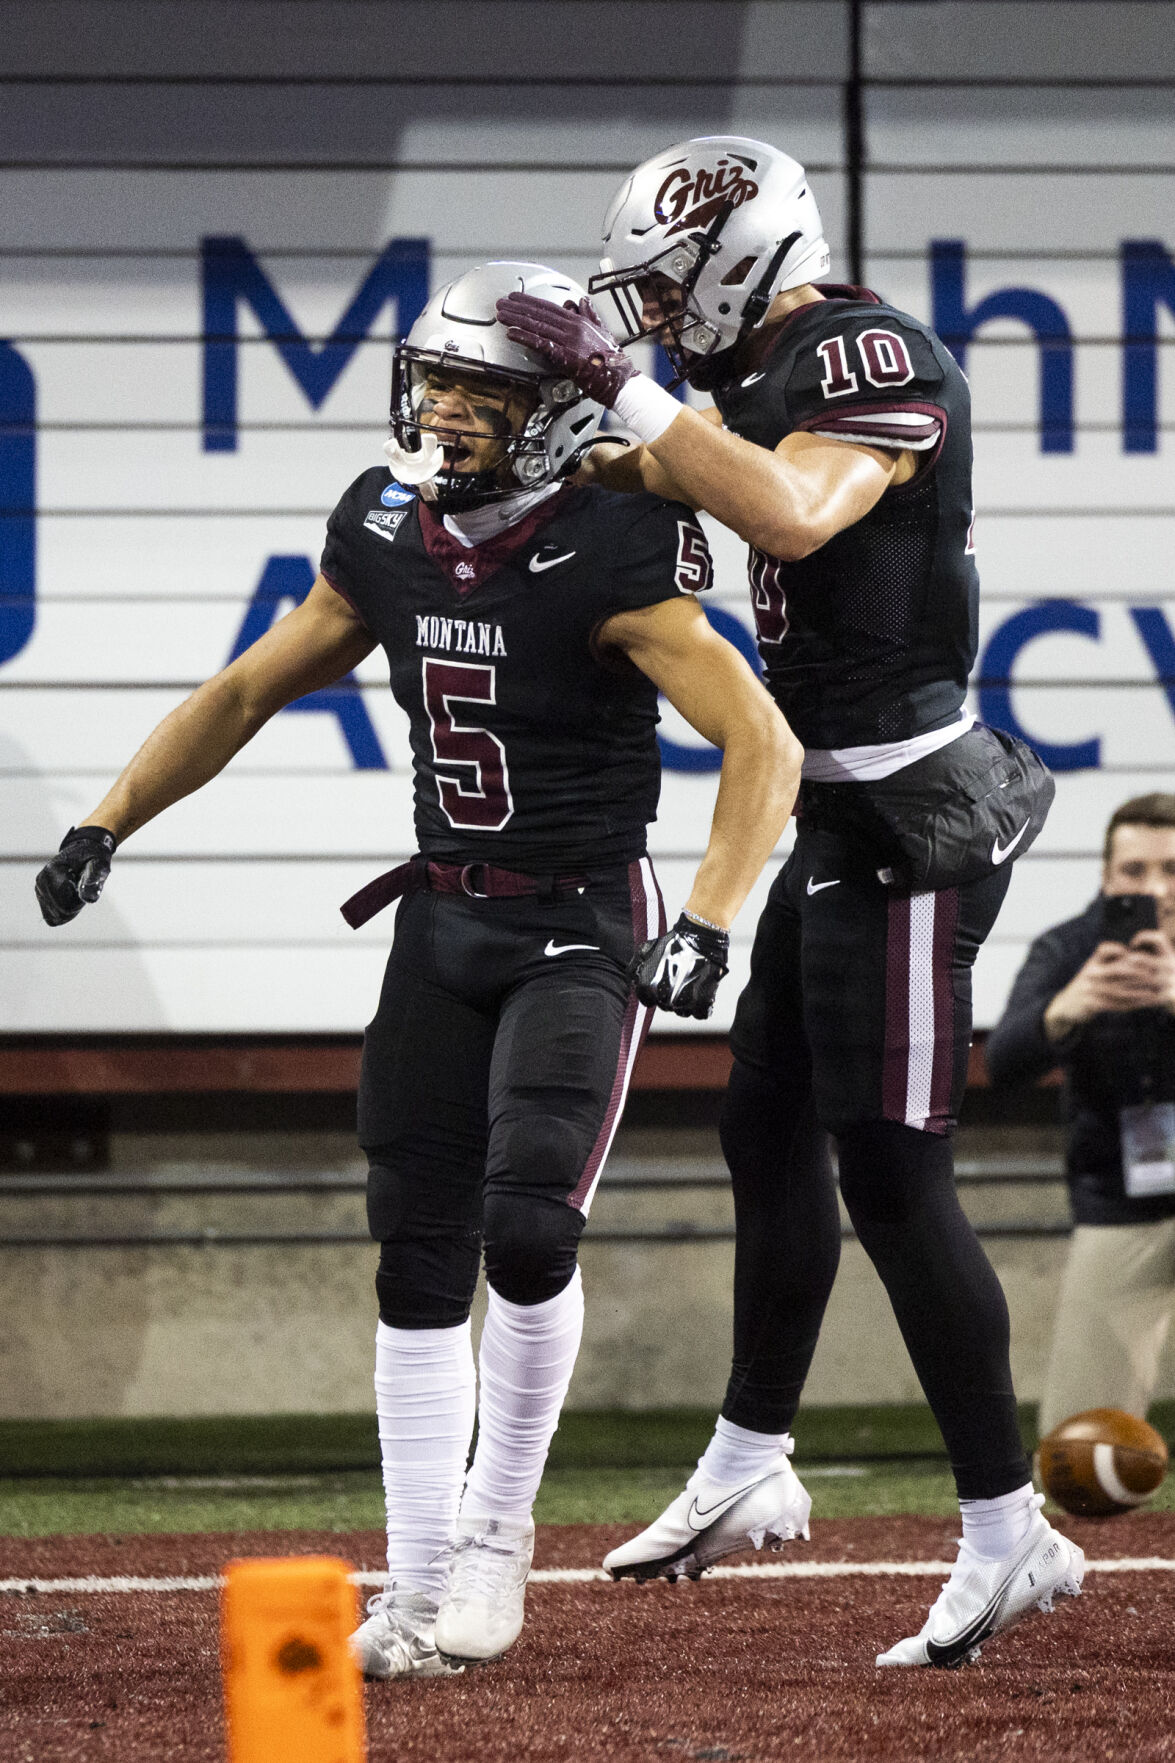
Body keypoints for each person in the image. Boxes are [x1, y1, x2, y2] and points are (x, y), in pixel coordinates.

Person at [34, 260, 800, 1679]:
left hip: (578, 918)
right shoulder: (383, 524)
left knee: (526, 1229)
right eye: (434, 381)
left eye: (480, 392)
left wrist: (704, 913)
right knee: (414, 1249)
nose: (441, 411)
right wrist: (107, 817)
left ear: (563, 412)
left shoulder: (617, 541)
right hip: (440, 919)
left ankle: (494, 1535)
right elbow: (247, 687)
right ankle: (416, 1574)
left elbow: (760, 737)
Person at [498, 137, 1084, 1668]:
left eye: (668, 282)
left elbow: (791, 512)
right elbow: (680, 463)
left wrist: (627, 398)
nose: (655, 313)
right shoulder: (762, 364)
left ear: (743, 251)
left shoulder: (866, 351)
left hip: (907, 816)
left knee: (892, 1170)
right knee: (763, 1125)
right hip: (833, 801)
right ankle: (750, 1456)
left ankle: (1001, 1525)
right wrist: (556, 438)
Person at [987, 793, 1175, 1438]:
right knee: (1080, 1451)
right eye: (1134, 871)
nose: (1154, 887)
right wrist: (1064, 1010)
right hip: (1122, 1199)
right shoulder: (1069, 949)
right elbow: (1001, 1066)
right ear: (1105, 876)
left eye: (1173, 870)